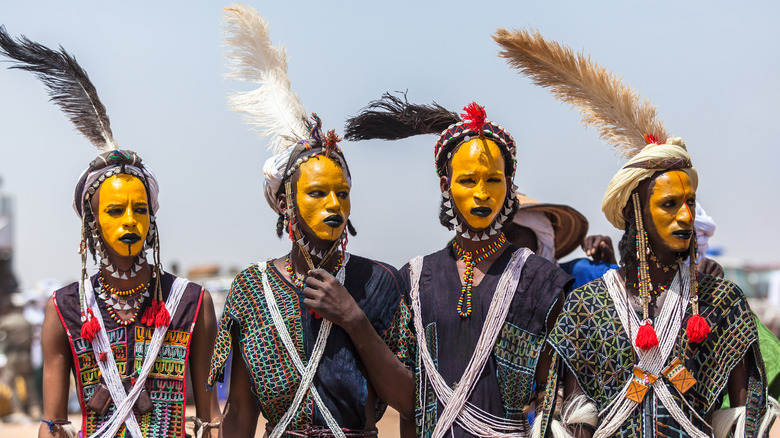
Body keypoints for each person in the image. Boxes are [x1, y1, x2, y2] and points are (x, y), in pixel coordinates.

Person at [495, 27, 779, 437]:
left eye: (691, 204)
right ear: (636, 214)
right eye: (669, 205)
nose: (685, 217)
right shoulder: (588, 306)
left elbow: (745, 415)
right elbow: (576, 418)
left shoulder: (720, 302)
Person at [0, 27, 220, 438]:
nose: (130, 221)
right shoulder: (64, 308)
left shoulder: (191, 301)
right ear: (91, 222)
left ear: (153, 218)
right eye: (115, 210)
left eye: (140, 209)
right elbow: (52, 424)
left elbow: (212, 419)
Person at [206, 6, 414, 438]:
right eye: (317, 194)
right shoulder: (252, 290)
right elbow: (241, 413)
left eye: (342, 193)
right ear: (285, 203)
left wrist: (353, 318)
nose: (333, 205)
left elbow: (410, 399)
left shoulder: (378, 283)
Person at [346, 94, 573, 437]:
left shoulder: (543, 282)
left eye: (493, 181)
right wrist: (357, 324)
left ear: (509, 186)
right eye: (468, 180)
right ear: (445, 185)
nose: (482, 193)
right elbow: (409, 402)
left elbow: (555, 395)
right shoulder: (415, 279)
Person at [503, 193, 618, 289]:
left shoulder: (580, 274)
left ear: (540, 239)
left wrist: (610, 271)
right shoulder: (492, 290)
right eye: (497, 239)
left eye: (512, 235)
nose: (503, 245)